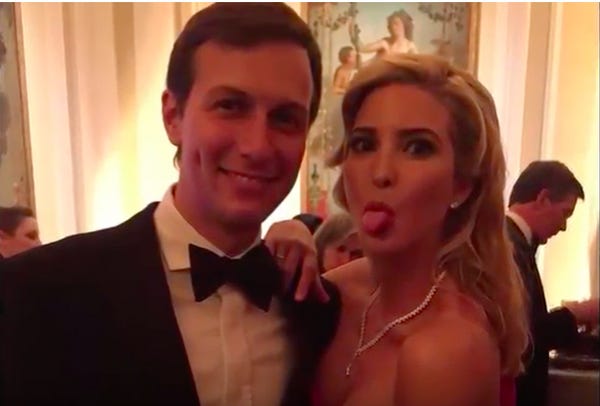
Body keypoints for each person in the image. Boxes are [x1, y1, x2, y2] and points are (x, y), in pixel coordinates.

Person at [0, 4, 338, 405]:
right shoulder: (37, 292)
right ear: (173, 116)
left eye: (285, 118)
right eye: (230, 106)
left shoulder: (316, 308)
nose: (257, 146)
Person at [312, 54, 529, 406]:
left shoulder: (446, 350)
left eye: (417, 148)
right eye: (364, 144)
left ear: (462, 184)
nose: (381, 172)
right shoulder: (339, 291)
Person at [506, 160, 599, 406]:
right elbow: (523, 335)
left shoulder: (514, 242)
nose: (564, 226)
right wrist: (576, 314)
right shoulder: (508, 246)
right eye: (565, 213)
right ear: (543, 199)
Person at [349, 10, 418, 63]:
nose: (393, 27)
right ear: (389, 28)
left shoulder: (409, 46)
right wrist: (352, 29)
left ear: (404, 26)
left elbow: (418, 63)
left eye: (396, 23)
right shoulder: (384, 43)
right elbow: (362, 48)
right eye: (390, 25)